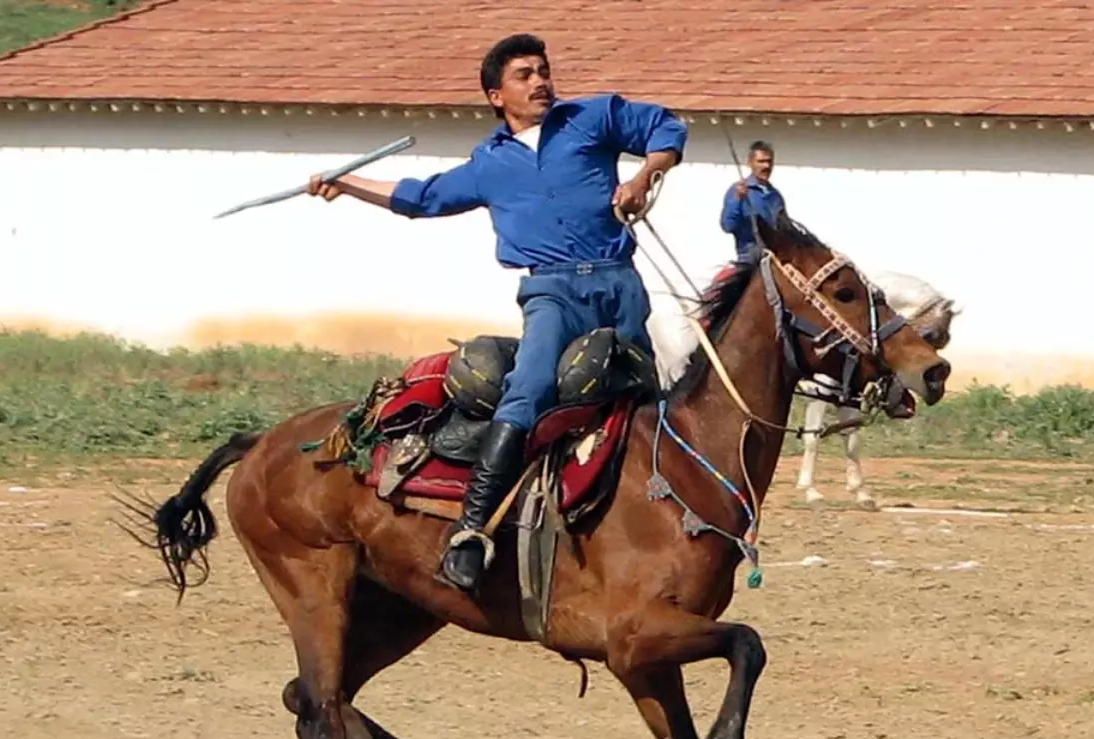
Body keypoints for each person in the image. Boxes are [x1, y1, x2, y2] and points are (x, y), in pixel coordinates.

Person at [307, 32, 688, 593]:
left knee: (645, 397)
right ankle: (471, 532)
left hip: (620, 285)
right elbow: (422, 197)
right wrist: (347, 183)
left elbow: (667, 129)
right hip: (552, 294)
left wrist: (642, 175)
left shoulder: (593, 116)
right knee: (528, 390)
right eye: (524, 75)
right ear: (495, 95)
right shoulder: (489, 164)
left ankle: (663, 527)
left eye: (543, 70)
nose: (540, 81)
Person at [719, 140, 786, 269]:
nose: (766, 166)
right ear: (750, 163)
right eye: (761, 161)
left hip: (774, 261)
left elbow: (784, 230)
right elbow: (727, 226)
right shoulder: (738, 190)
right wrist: (738, 199)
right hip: (749, 262)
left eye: (769, 161)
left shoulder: (776, 196)